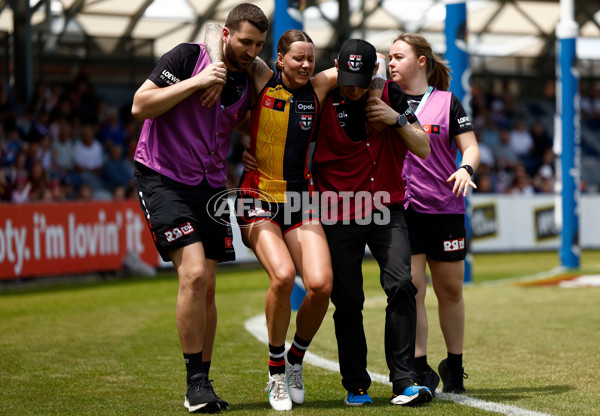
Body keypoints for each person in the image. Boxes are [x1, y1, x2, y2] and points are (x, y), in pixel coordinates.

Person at [130, 3, 269, 413]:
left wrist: (251, 146)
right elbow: (142, 104)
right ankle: (194, 384)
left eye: (258, 44)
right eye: (245, 41)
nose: (250, 50)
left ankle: (203, 384)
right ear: (226, 34)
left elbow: (242, 118)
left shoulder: (246, 77)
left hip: (210, 186)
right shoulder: (188, 57)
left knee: (207, 287)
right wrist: (197, 81)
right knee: (192, 274)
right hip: (162, 176)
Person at [208, 27, 338, 411]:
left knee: (321, 285)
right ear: (279, 59)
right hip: (257, 195)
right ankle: (276, 373)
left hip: (301, 198)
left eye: (310, 58)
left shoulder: (319, 86)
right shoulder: (262, 76)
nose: (305, 64)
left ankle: (296, 359)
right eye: (298, 57)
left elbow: (365, 62)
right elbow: (218, 33)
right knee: (282, 276)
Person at [310, 39, 433, 406]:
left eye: (360, 80)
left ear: (372, 75)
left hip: (386, 209)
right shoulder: (322, 96)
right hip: (336, 212)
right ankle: (356, 386)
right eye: (346, 78)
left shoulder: (391, 96)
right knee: (348, 302)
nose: (353, 87)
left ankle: (403, 380)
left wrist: (394, 120)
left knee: (402, 285)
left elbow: (423, 147)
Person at [385, 33, 480, 395]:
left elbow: (470, 147)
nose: (391, 63)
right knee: (412, 290)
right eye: (389, 58)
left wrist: (466, 169)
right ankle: (419, 367)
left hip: (445, 209)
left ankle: (454, 366)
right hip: (402, 210)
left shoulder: (447, 102)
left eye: (398, 57)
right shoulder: (384, 98)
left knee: (451, 290)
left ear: (421, 61)